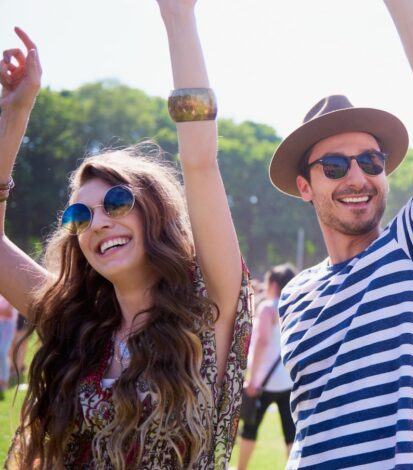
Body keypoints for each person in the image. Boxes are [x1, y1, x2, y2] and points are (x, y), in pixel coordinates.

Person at [0, 1, 251, 467]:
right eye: (80, 215)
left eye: (117, 203)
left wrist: (178, 19)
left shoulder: (207, 310)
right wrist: (16, 117)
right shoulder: (75, 324)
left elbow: (199, 161)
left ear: (155, 212)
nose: (98, 223)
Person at [267, 1, 413, 467]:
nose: (357, 177)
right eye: (334, 166)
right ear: (305, 186)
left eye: (371, 160)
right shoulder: (294, 294)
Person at [237, 264, 297, 469]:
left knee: (250, 429)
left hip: (264, 381)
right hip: (287, 380)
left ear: (273, 284)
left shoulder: (268, 308)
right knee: (290, 432)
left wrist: (253, 379)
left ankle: (241, 468)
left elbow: (262, 343)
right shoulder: (295, 306)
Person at [0, 294, 17, 399]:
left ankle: (4, 380)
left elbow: (8, 312)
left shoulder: (9, 294)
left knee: (2, 351)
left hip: (7, 326)